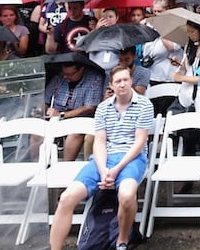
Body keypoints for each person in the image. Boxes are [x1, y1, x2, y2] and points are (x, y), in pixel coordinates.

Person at [49, 65, 154, 250]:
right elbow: (99, 142)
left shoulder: (144, 105)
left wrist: (115, 169)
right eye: (118, 81)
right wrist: (103, 168)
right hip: (103, 159)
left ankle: (121, 240)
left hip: (131, 158)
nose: (123, 84)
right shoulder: (104, 107)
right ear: (111, 85)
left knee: (127, 195)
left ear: (131, 80)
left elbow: (140, 142)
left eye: (126, 80)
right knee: (67, 198)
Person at [41, 61, 106, 160]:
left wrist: (62, 115)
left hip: (80, 116)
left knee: (75, 132)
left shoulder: (94, 79)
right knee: (38, 131)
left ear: (81, 69)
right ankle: (38, 166)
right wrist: (41, 110)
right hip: (55, 114)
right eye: (64, 73)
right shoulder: (59, 77)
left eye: (69, 74)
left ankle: (66, 166)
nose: (65, 77)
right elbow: (45, 100)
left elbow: (89, 107)